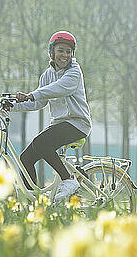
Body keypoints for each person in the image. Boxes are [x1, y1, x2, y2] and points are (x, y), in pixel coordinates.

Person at [9, 31, 91, 202]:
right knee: (25, 158)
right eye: (61, 50)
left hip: (77, 124)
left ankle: (68, 180)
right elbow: (38, 102)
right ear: (51, 52)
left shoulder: (74, 72)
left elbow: (58, 88)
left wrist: (32, 94)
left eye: (69, 51)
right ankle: (35, 203)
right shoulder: (47, 75)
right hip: (59, 124)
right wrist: (12, 106)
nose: (65, 55)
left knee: (42, 143)